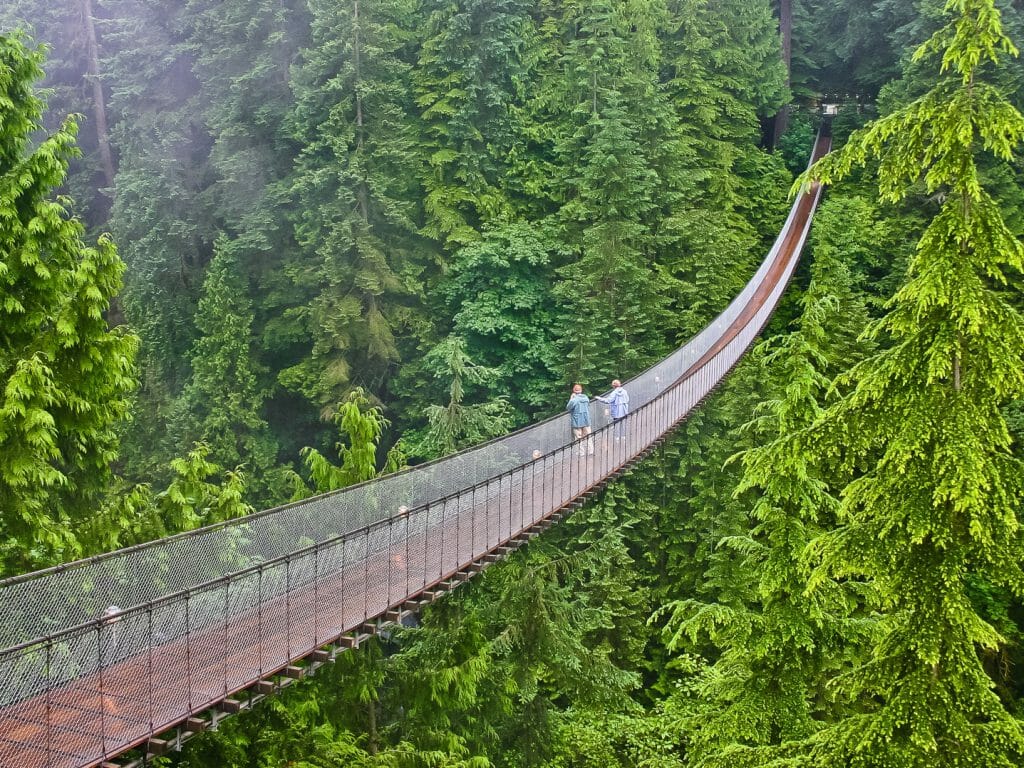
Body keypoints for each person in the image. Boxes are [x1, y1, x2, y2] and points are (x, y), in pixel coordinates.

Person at [566, 384, 593, 456]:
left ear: (574, 391)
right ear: (581, 390)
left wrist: (571, 398)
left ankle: (581, 453)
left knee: (578, 438)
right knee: (588, 436)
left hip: (577, 421)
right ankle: (590, 451)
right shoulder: (586, 398)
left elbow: (568, 407)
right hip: (586, 420)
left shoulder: (574, 400)